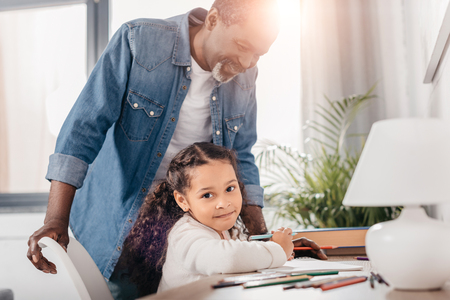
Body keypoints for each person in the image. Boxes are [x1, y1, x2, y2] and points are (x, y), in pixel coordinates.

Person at [26, 0, 325, 298]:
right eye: (242, 45)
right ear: (212, 20)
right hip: (124, 222)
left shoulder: (245, 75)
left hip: (194, 222)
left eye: (259, 54)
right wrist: (55, 220)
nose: (248, 62)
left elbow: (242, 155)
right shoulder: (139, 41)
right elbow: (83, 128)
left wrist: (262, 237)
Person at [121, 142, 294, 296]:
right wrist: (277, 249)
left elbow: (241, 253)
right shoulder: (185, 234)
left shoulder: (221, 227)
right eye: (207, 195)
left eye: (230, 188)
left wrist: (277, 250)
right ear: (182, 201)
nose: (223, 203)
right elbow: (228, 259)